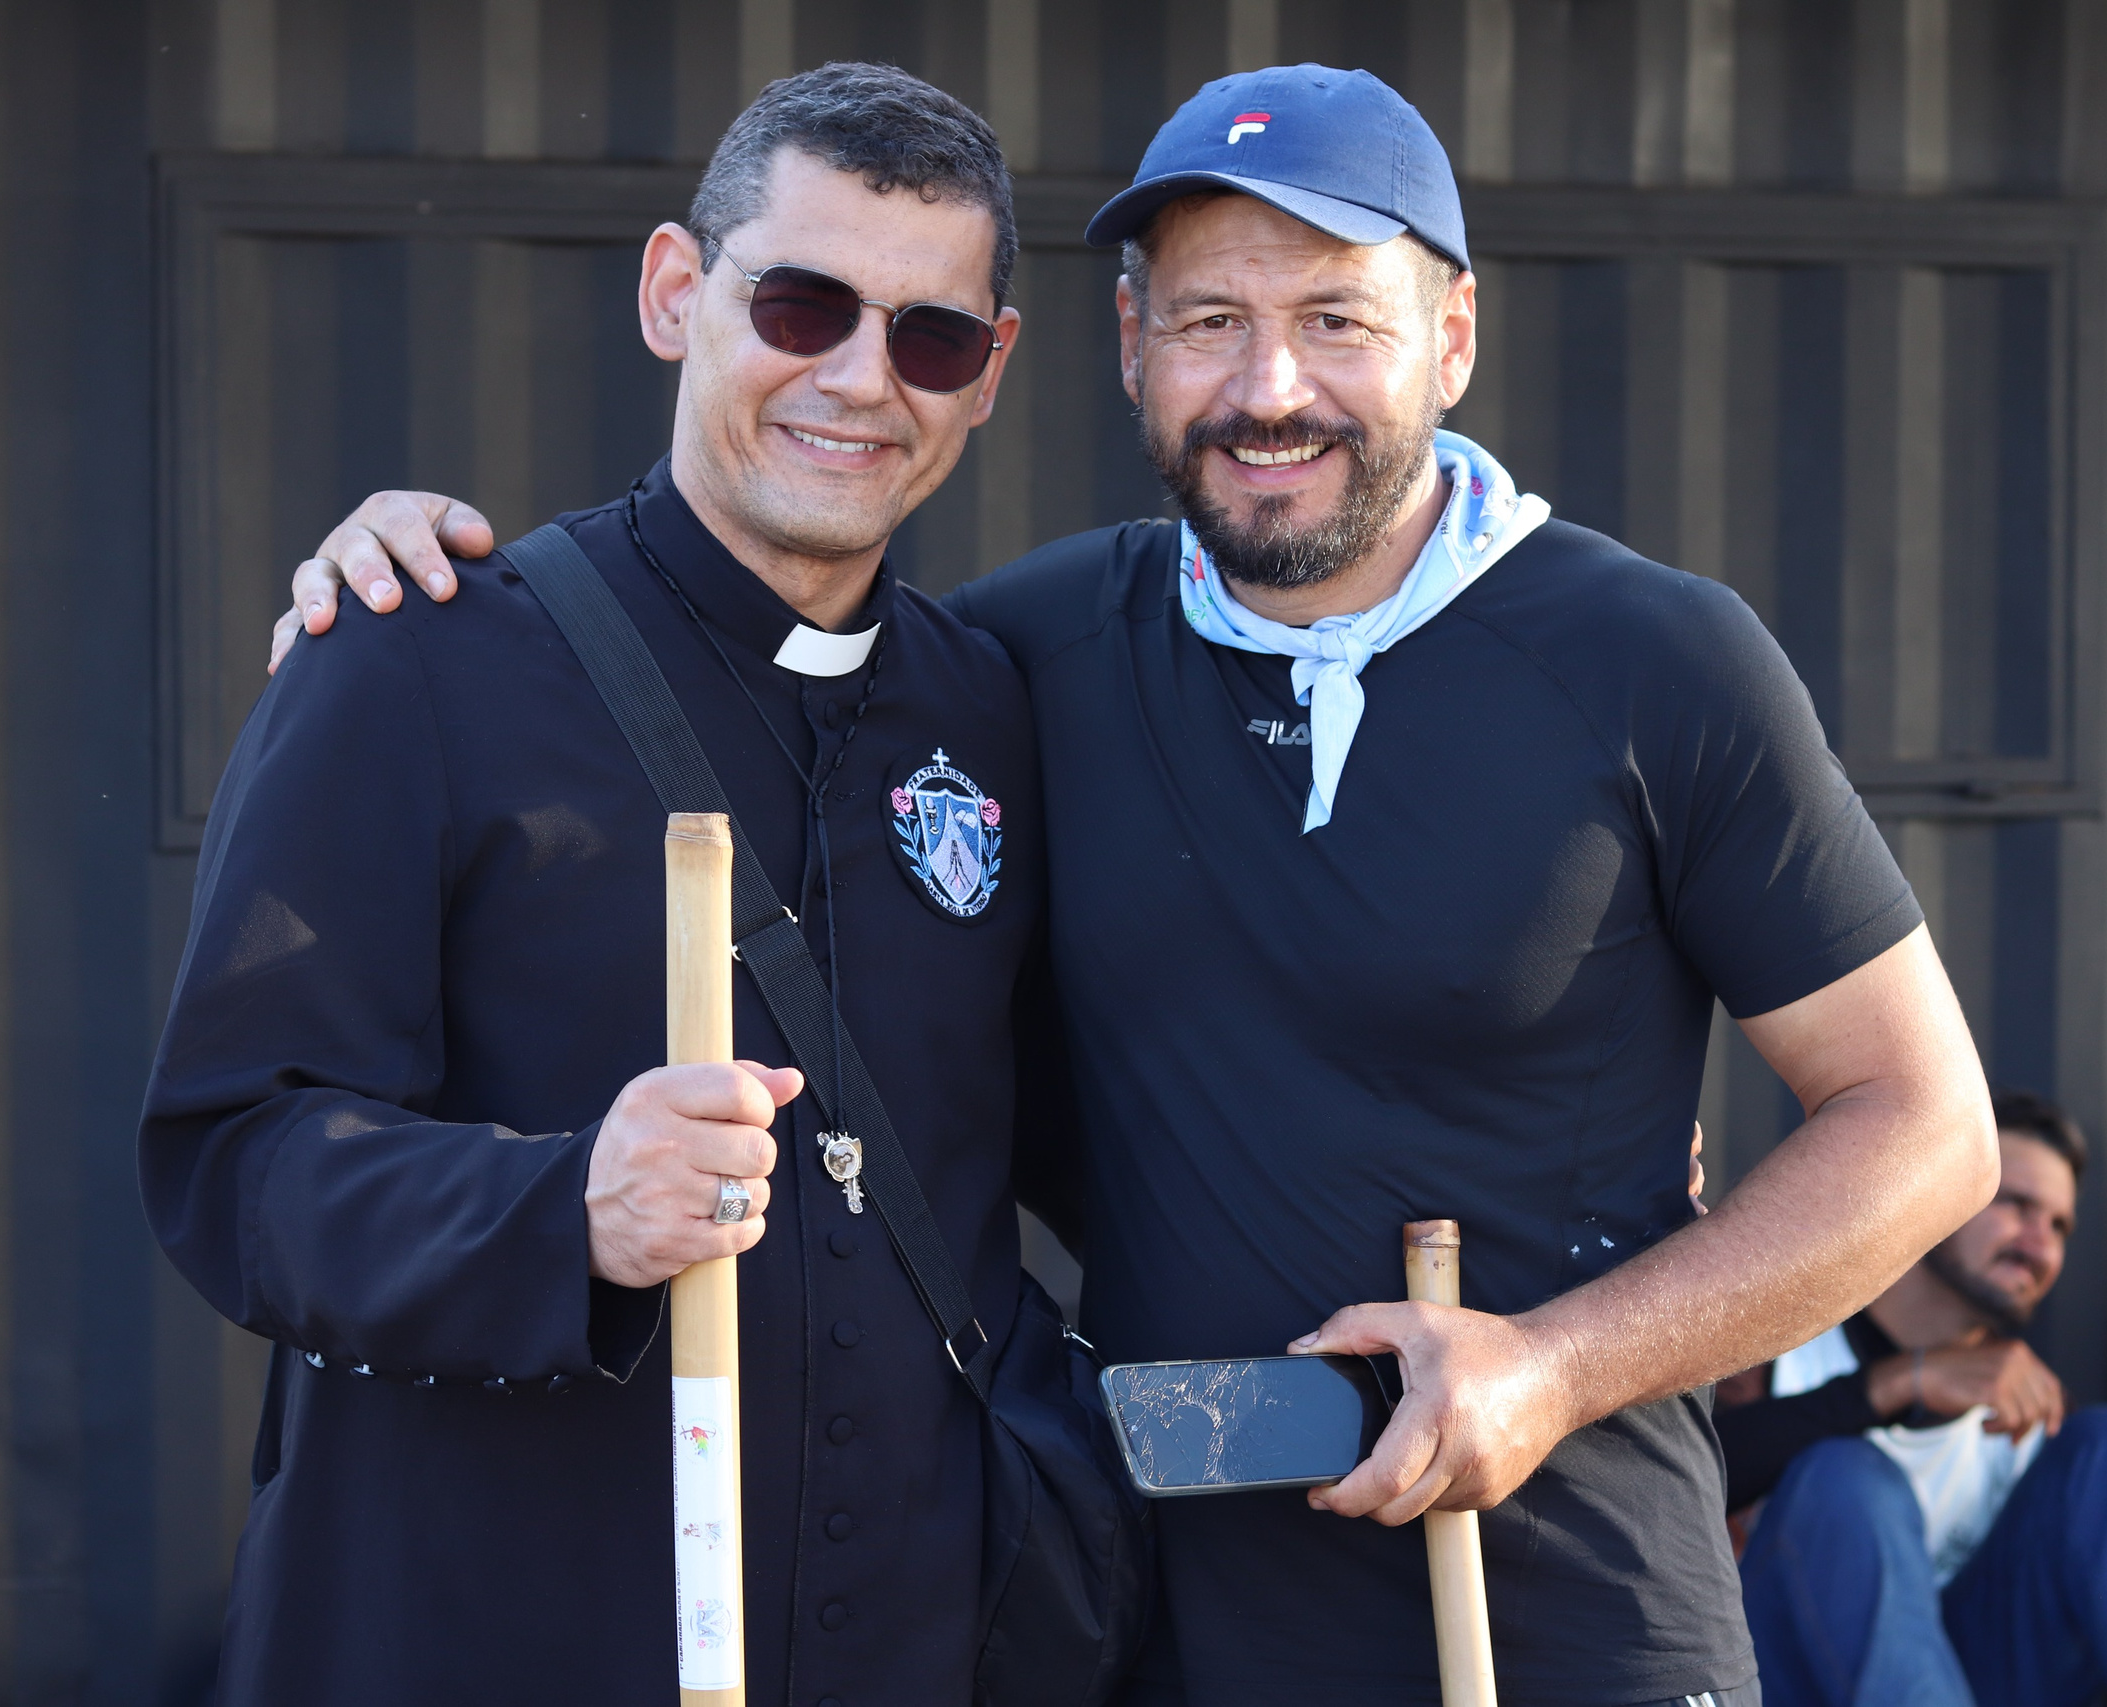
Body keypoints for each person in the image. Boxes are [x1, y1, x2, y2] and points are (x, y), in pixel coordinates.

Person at [277, 65, 1999, 1706]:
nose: (1269, 389)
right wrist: (416, 581)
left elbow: (1925, 1132)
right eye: (1207, 321)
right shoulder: (1016, 665)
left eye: (1338, 319)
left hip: (1567, 1611)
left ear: (1452, 338)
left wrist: (1560, 1363)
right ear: (1124, 349)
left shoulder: (1660, 660)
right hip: (1170, 1615)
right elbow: (709, 666)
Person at [141, 64, 1043, 1703]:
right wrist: (560, 1208)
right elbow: (235, 1148)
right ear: (675, 293)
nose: (859, 378)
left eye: (927, 336)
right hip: (492, 1627)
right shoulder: (412, 663)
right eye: (800, 303)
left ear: (987, 377)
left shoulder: (996, 707)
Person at [1723, 1092, 2107, 1707]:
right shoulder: (1775, 1340)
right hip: (1784, 1679)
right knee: (1845, 1477)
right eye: (2018, 1206)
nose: (2041, 1246)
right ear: (1935, 1195)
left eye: (2059, 1226)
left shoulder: (2033, 1401)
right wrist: (1895, 1383)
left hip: (1978, 1674)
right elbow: (1680, 1486)